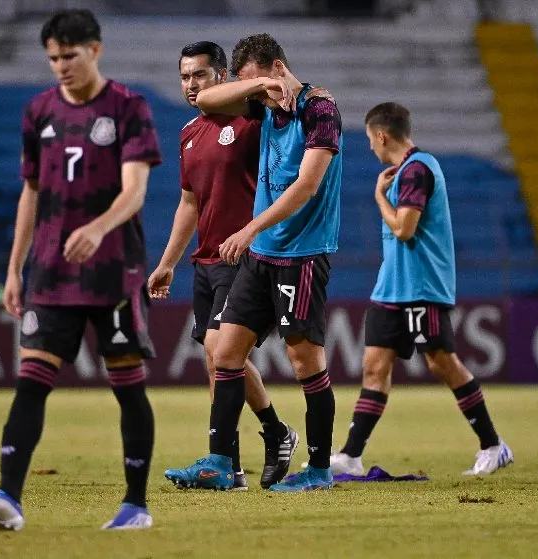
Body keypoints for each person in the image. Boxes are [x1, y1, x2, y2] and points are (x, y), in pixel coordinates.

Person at [0, 9, 162, 531]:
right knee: (31, 380)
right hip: (49, 270)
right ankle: (8, 497)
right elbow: (31, 191)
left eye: (70, 55)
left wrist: (98, 227)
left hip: (113, 269)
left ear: (96, 50)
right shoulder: (38, 112)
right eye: (52, 58)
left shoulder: (129, 107)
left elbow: (135, 190)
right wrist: (15, 268)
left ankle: (135, 506)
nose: (61, 66)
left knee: (127, 386)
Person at [164, 33, 343, 492]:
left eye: (260, 82)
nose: (257, 95)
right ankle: (221, 463)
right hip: (262, 257)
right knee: (224, 354)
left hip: (301, 255)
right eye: (249, 87)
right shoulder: (264, 107)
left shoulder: (319, 110)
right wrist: (251, 89)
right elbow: (206, 98)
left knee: (305, 363)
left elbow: (305, 187)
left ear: (278, 68)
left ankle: (319, 469)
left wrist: (249, 229)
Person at [329, 102, 513, 477]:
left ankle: (493, 446)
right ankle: (350, 455)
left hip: (421, 287)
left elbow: (404, 229)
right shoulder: (407, 172)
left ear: (382, 135)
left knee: (441, 362)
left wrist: (378, 197)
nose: (370, 147)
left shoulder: (417, 171)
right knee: (374, 366)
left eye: (369, 139)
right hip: (391, 287)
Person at [149, 41, 298, 491]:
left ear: (220, 76)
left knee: (220, 351)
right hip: (206, 259)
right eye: (184, 77)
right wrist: (168, 262)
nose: (190, 85)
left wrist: (265, 82)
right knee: (217, 363)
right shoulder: (189, 133)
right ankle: (244, 456)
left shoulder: (251, 117)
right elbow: (189, 203)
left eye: (198, 75)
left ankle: (236, 454)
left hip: (246, 256)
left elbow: (278, 94)